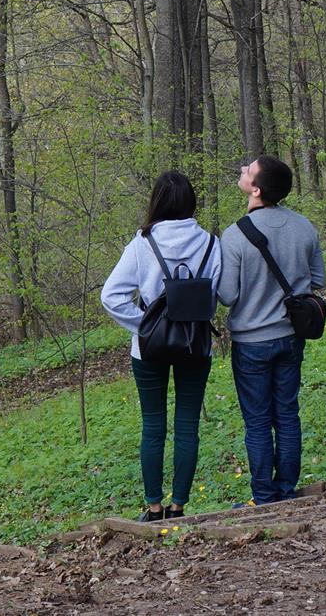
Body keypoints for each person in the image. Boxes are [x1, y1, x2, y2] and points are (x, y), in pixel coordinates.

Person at [100, 171, 219, 522]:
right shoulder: (211, 243)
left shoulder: (141, 244)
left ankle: (153, 508)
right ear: (190, 203)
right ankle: (179, 506)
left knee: (153, 425)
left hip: (148, 350)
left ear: (156, 202)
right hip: (196, 346)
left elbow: (111, 297)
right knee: (187, 424)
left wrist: (145, 325)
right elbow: (218, 294)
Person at [217, 155, 325, 504]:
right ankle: (286, 490)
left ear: (257, 189)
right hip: (291, 338)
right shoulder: (303, 226)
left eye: (247, 170)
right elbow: (317, 280)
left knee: (259, 421)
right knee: (287, 414)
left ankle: (264, 496)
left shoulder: (234, 236)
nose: (241, 171)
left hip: (250, 343)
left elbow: (228, 295)